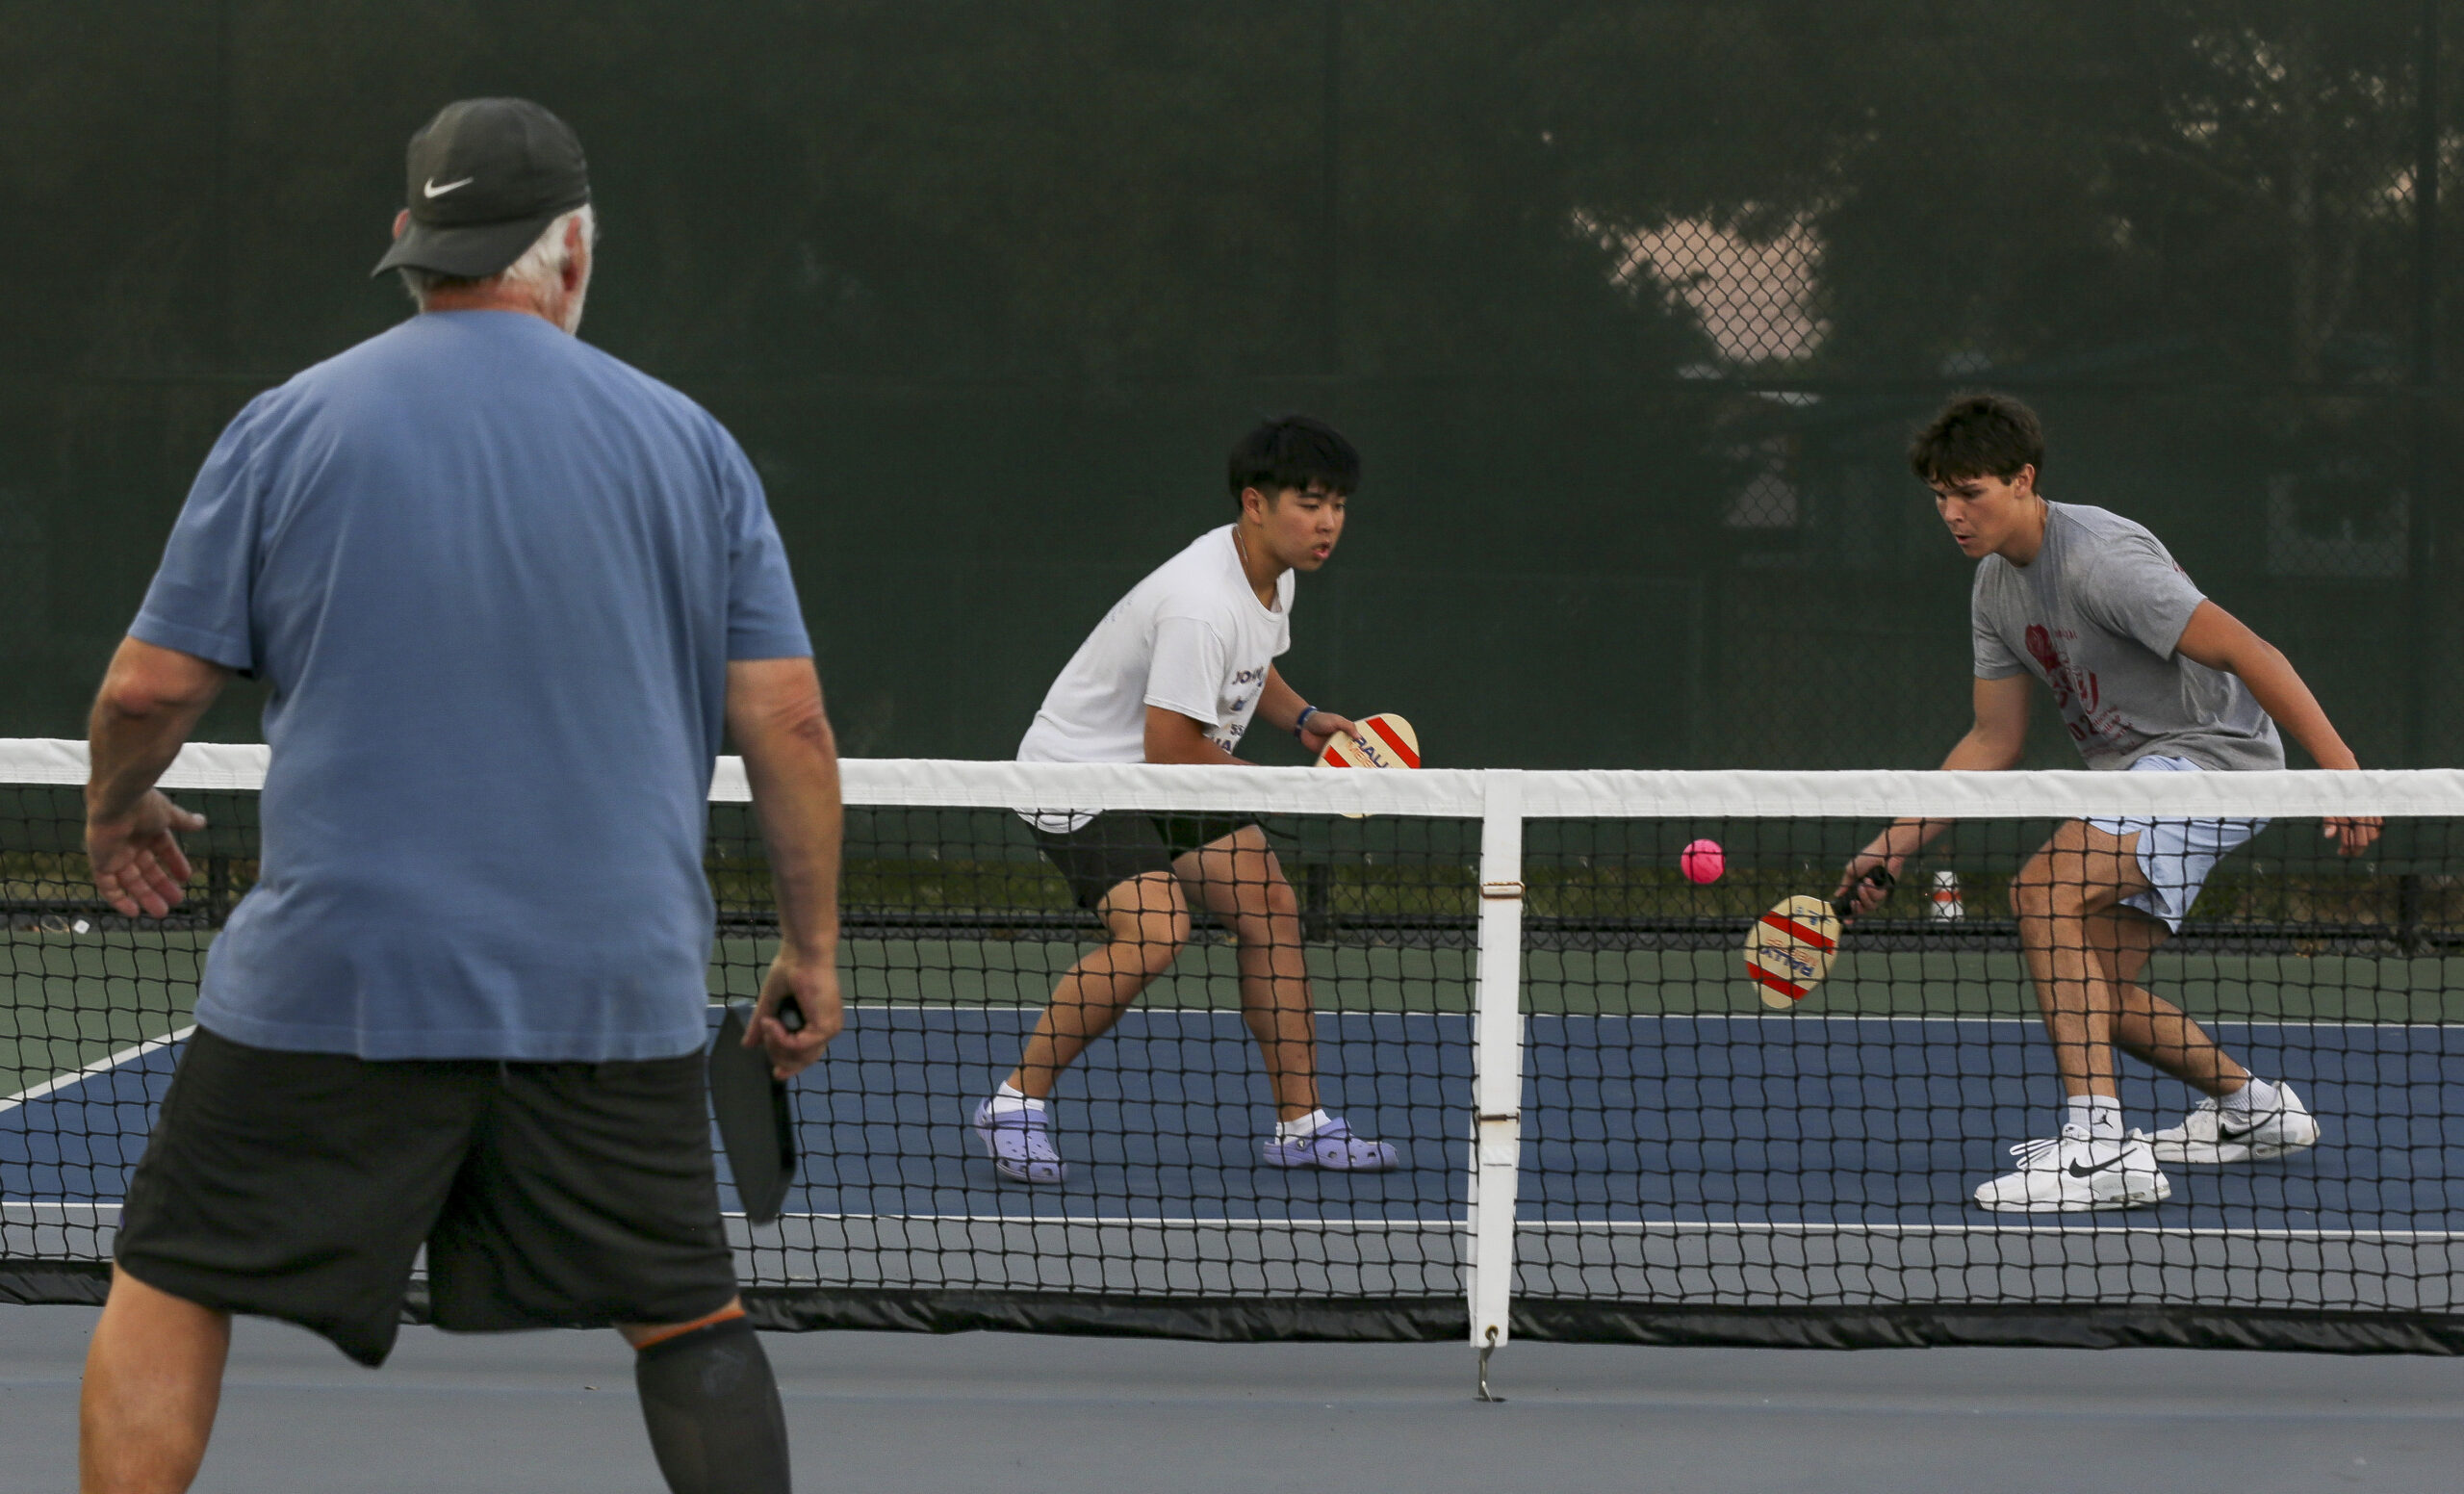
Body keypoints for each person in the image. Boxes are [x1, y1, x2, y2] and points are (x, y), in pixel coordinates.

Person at [76, 98, 840, 1494]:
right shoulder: (692, 447)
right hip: (613, 990)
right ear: (576, 254)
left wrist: (115, 809)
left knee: (174, 1278)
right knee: (686, 1312)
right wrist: (812, 947)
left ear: (408, 244)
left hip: (337, 982)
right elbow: (788, 720)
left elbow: (143, 696)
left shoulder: (287, 426)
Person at [1835, 393, 2378, 1213]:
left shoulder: (2100, 560)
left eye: (1969, 492)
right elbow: (1993, 741)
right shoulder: (1994, 589)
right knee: (2091, 987)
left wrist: (2344, 777)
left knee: (2043, 889)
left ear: (2023, 479)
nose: (1953, 513)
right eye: (1940, 496)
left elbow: (2251, 651)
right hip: (2137, 775)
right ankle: (2255, 1112)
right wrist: (1898, 840)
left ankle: (2098, 1148)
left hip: (2213, 762)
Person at [971, 416, 1399, 1185]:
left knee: (1267, 905)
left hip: (1162, 768)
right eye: (1310, 501)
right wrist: (1284, 792)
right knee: (1155, 931)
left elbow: (1249, 665)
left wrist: (1303, 719)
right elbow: (1173, 747)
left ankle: (1301, 1127)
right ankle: (1013, 1106)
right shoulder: (1201, 600)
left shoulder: (1270, 575)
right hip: (1081, 773)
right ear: (1255, 503)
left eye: (1338, 502)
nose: (1328, 520)